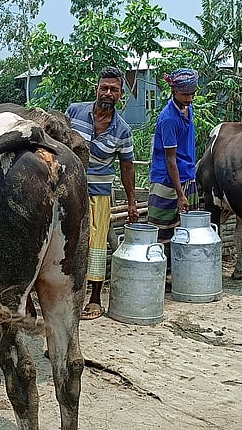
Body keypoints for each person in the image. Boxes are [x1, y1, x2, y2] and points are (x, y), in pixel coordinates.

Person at [66, 67, 138, 320]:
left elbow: (127, 167)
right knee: (64, 240)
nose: (108, 93)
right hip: (68, 187)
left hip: (99, 192)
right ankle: (63, 295)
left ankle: (94, 298)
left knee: (96, 244)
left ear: (120, 95)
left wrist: (131, 203)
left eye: (114, 89)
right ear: (96, 89)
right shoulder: (74, 112)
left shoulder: (123, 130)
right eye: (104, 87)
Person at [147, 68, 200, 251]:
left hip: (186, 175)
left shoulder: (188, 108)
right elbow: (171, 159)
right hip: (167, 180)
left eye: (192, 94)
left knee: (185, 230)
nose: (190, 98)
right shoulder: (168, 119)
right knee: (161, 230)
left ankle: (179, 271)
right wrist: (180, 194)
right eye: (185, 94)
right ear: (174, 91)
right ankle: (161, 272)